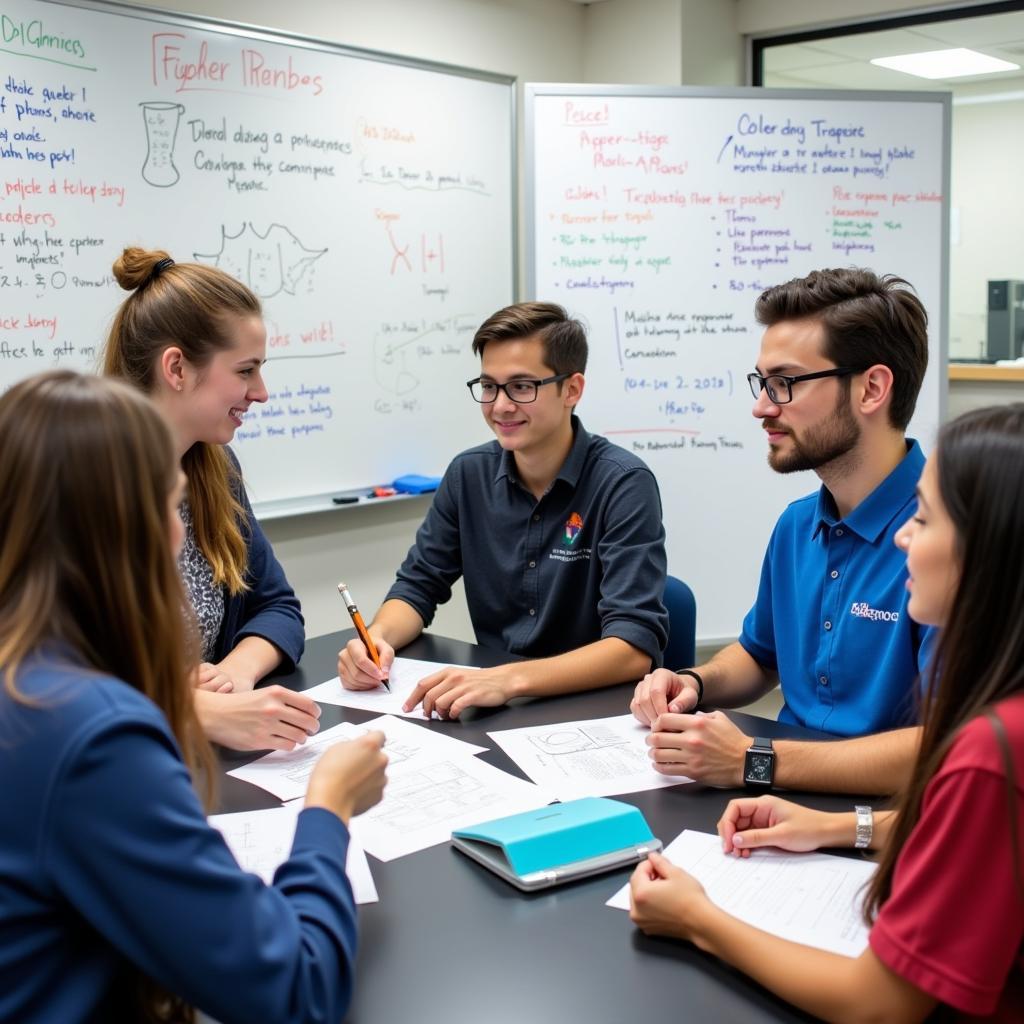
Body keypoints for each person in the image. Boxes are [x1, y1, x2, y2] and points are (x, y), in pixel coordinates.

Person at [0, 371, 388, 1024]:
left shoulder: (30, 678)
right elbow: (295, 990)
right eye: (168, 506)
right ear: (118, 527)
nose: (180, 533)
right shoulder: (95, 736)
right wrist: (327, 809)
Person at [628, 403, 1024, 1022]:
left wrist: (700, 920)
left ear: (992, 553)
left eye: (924, 518)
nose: (903, 536)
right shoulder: (796, 527)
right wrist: (832, 827)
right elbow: (966, 830)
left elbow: (878, 1004)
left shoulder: (990, 752)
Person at [631, 268, 933, 794]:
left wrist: (756, 759)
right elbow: (759, 655)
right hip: (781, 797)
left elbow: (946, 746)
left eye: (785, 383)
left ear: (872, 389)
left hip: (885, 822)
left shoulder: (952, 541)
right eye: (763, 382)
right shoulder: (797, 524)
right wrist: (694, 683)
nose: (762, 406)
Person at [339, 301, 668, 718]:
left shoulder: (622, 482)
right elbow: (417, 587)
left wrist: (507, 679)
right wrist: (376, 640)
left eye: (522, 387)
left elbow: (633, 648)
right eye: (489, 386)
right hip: (495, 706)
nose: (500, 406)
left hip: (593, 710)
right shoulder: (467, 474)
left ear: (572, 389)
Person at [105, 246, 320, 752]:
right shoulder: (75, 482)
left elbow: (277, 607)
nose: (262, 392)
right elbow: (47, 670)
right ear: (176, 368)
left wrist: (232, 677)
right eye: (245, 371)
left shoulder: (214, 471)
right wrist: (194, 711)